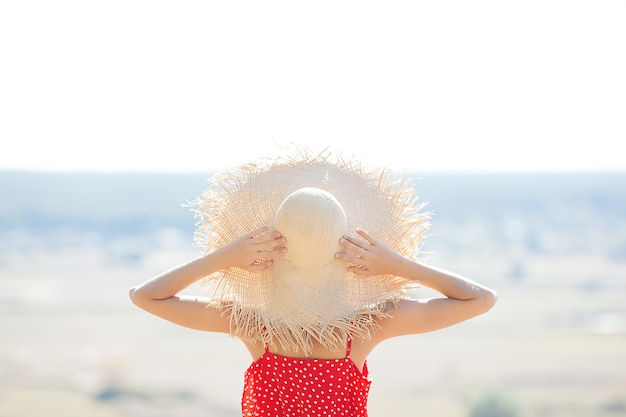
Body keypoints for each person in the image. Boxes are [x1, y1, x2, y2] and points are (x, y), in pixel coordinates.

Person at [129, 147, 497, 417]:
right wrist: (397, 265)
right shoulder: (364, 332)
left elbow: (145, 297)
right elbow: (481, 299)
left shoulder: (254, 328)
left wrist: (224, 257)